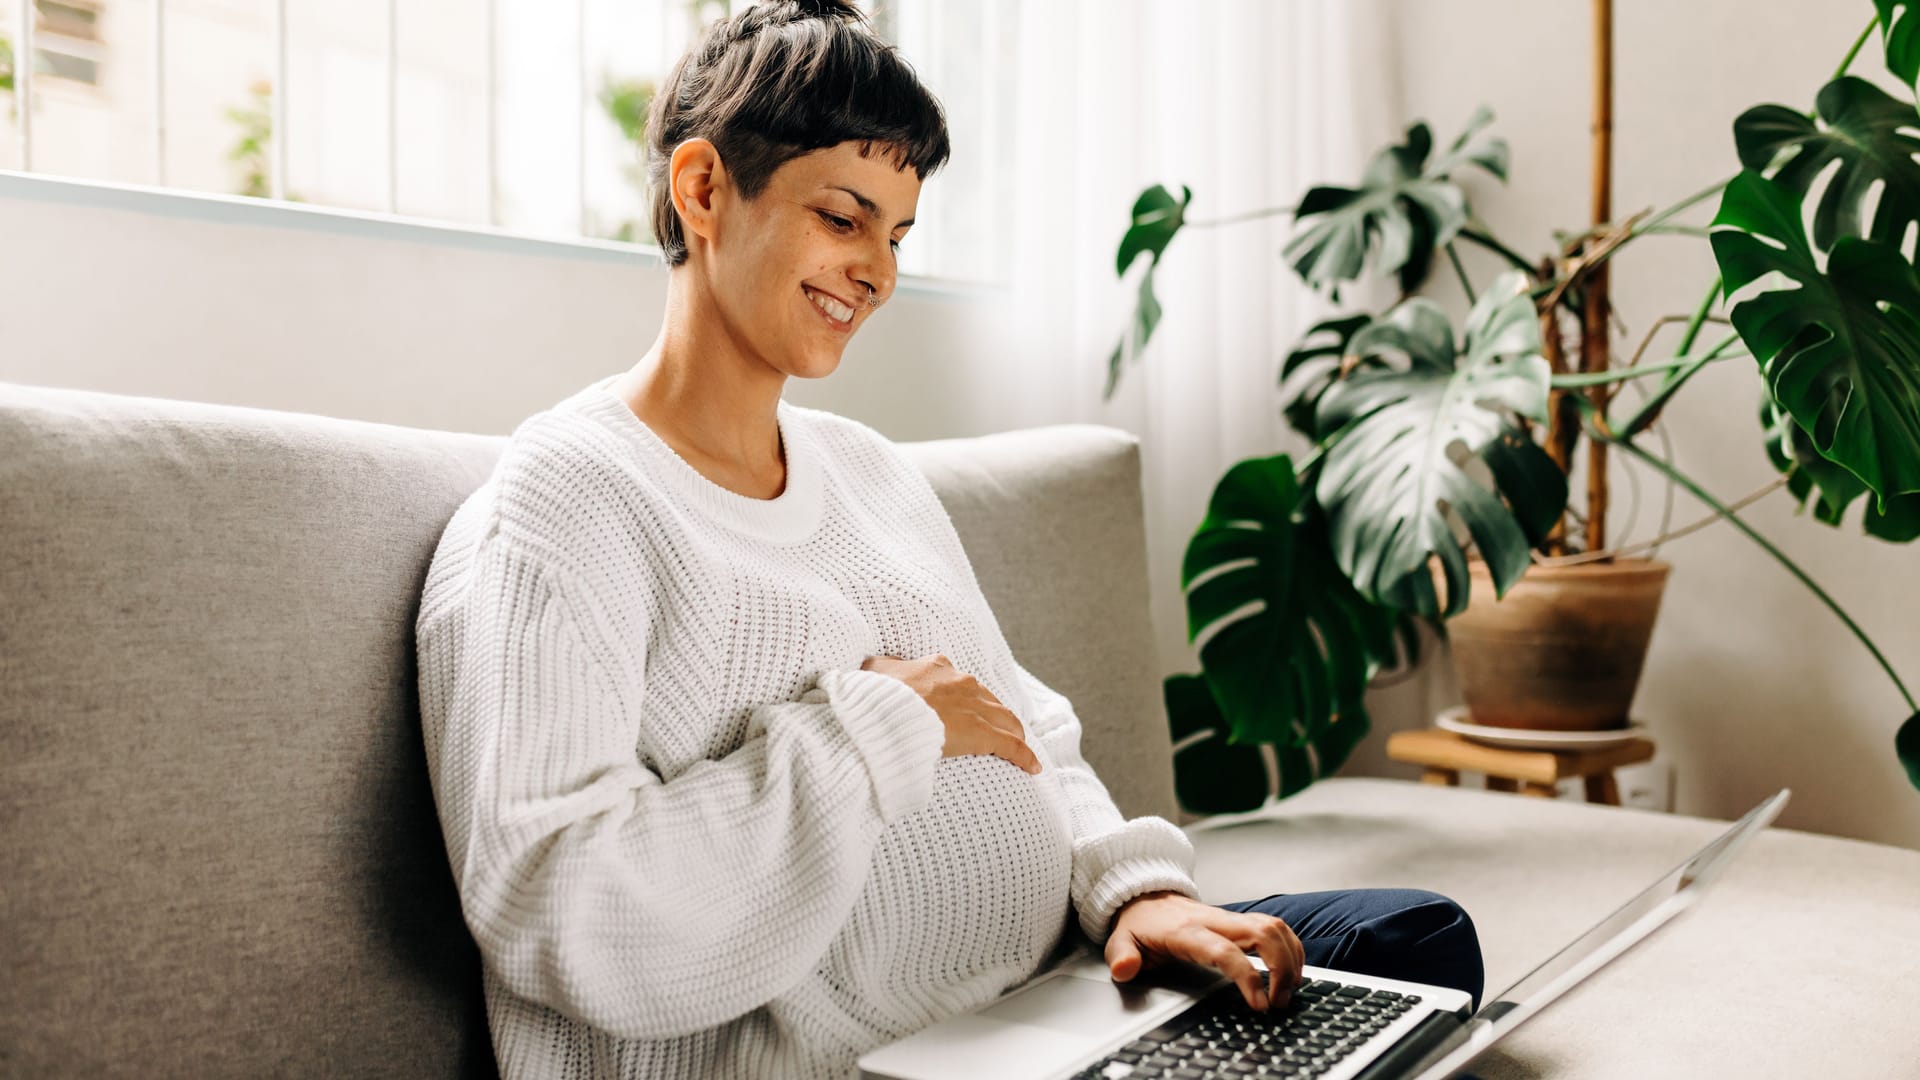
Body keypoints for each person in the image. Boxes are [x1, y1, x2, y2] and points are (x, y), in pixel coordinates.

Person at [413, 2, 1484, 1076]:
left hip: (1056, 998)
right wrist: (875, 729)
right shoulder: (567, 504)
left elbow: (1026, 728)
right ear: (703, 190)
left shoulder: (871, 470)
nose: (878, 271)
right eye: (843, 218)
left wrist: (1136, 892)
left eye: (898, 233)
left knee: (1416, 947)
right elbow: (557, 909)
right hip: (869, 1058)